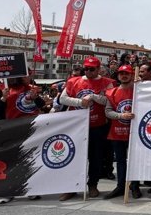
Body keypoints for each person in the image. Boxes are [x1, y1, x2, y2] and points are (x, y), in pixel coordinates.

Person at [58, 56, 115, 200]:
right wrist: (80, 102)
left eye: (92, 69)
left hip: (98, 125)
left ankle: (93, 184)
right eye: (86, 69)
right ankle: (71, 187)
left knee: (95, 157)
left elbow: (110, 100)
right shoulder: (73, 81)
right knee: (74, 156)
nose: (89, 71)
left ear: (98, 69)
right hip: (77, 126)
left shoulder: (107, 83)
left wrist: (94, 97)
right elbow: (62, 99)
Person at [104, 64, 141, 200]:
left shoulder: (139, 90)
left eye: (126, 73)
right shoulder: (111, 92)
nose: (123, 76)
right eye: (121, 74)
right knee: (120, 161)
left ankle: (135, 186)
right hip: (117, 132)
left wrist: (141, 83)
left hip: (135, 133)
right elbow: (108, 112)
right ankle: (121, 186)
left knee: (134, 160)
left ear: (132, 75)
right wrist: (121, 116)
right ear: (118, 76)